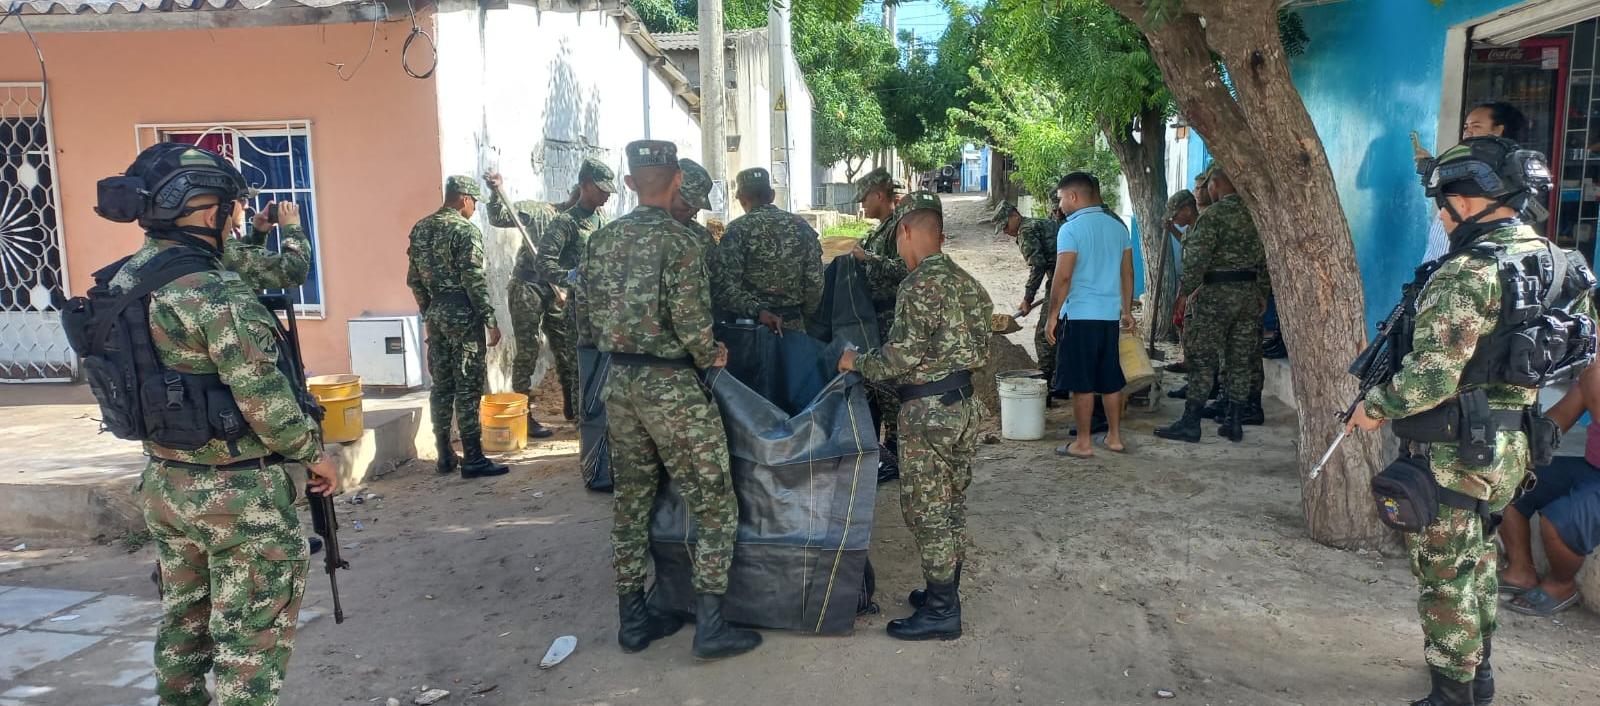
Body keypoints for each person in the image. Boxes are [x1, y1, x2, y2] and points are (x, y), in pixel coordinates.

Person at [1347, 136, 1594, 706]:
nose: (1441, 211)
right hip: (1514, 445)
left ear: (1483, 197)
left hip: (1456, 449)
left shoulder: (1468, 274)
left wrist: (1372, 409)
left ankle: (1453, 692)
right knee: (1479, 556)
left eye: (1449, 199)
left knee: (1445, 575)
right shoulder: (1562, 265)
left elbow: (1430, 379)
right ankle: (1477, 676)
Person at [90, 143, 339, 706]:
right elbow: (264, 396)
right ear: (207, 212)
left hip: (165, 483)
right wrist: (314, 454)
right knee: (249, 641)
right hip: (237, 493)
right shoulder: (214, 292)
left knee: (184, 627)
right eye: (231, 209)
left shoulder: (125, 279)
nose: (235, 220)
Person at [577, 140, 760, 661]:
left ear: (630, 183)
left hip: (620, 387)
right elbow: (692, 325)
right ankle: (711, 625)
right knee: (715, 500)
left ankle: (633, 621)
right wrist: (713, 354)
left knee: (631, 502)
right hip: (673, 388)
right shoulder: (682, 243)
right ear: (678, 179)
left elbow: (586, 325)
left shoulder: (600, 241)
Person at [837, 190, 991, 641]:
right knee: (952, 503)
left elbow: (899, 359)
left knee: (926, 509)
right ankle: (944, 590)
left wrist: (855, 362)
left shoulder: (919, 284)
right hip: (963, 405)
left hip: (927, 412)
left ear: (905, 231)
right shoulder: (968, 282)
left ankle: (943, 612)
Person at [1154, 167, 1268, 444]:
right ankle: (1234, 421)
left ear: (1216, 184)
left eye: (1208, 187)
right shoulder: (1258, 214)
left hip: (1217, 295)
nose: (1206, 193)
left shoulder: (1214, 216)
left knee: (1204, 359)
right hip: (1249, 295)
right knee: (1240, 359)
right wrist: (1262, 291)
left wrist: (1184, 295)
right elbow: (1267, 257)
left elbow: (1196, 259)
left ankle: (1191, 422)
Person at [407, 175, 509, 478]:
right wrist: (489, 319)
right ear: (464, 198)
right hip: (463, 312)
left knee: (442, 385)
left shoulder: (421, 228)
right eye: (475, 202)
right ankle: (474, 458)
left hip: (436, 312)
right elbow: (473, 279)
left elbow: (414, 279)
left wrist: (429, 310)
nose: (475, 208)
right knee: (467, 387)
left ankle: (445, 455)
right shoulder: (465, 230)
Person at [1499, 362, 1600, 617]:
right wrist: (1517, 447)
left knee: (1558, 520)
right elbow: (1560, 417)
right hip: (1591, 467)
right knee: (1506, 479)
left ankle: (1561, 585)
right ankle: (1520, 572)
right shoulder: (1593, 374)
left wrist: (1594, 375)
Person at [1045, 172, 1134, 458]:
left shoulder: (1070, 230)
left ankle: (1083, 442)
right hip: (1109, 318)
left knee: (1081, 382)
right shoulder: (1118, 228)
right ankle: (1115, 437)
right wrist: (1127, 310)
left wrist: (1052, 315)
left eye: (1061, 198)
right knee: (1110, 379)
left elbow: (1063, 276)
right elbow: (1127, 272)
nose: (1060, 205)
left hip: (1081, 316)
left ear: (1074, 196)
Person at [485, 168, 579, 430]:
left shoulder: (583, 223)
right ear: (576, 196)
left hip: (559, 290)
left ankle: (574, 407)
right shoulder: (540, 211)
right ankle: (523, 414)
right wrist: (496, 191)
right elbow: (500, 216)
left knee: (567, 348)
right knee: (529, 348)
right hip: (528, 285)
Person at [711, 167, 824, 332]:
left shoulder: (737, 230)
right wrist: (804, 315)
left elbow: (724, 287)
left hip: (751, 329)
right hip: (793, 324)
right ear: (772, 195)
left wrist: (756, 309)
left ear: (742, 199)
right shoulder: (801, 226)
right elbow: (815, 282)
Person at [850, 167, 907, 484]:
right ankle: (880, 452)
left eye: (865, 198)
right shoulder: (877, 231)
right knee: (875, 386)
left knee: (890, 388)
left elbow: (905, 268)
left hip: (890, 319)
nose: (861, 204)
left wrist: (867, 258)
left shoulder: (899, 228)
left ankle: (897, 454)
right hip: (874, 320)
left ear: (880, 195)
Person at [1419, 102, 1529, 263]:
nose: (1467, 132)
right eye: (1465, 127)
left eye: (1476, 126)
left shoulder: (1501, 176)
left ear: (1498, 130)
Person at [997, 201, 1059, 388]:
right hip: (1068, 275)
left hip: (1064, 279)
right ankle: (1061, 382)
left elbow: (1038, 266)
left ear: (1015, 215)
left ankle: (1046, 386)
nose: (1006, 231)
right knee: (1061, 331)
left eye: (1006, 225)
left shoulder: (1026, 231)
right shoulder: (1036, 223)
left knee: (1044, 334)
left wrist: (1027, 300)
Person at [224, 200, 311, 290]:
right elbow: (292, 273)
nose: (246, 206)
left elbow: (247, 272)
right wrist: (292, 228)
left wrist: (258, 235)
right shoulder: (222, 248)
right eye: (241, 199)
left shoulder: (217, 244)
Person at [671, 157, 716, 244]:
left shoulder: (702, 237)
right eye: (686, 205)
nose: (691, 212)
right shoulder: (640, 231)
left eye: (697, 207)